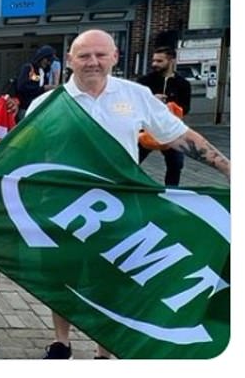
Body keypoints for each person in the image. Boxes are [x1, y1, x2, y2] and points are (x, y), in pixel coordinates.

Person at [27, 30, 230, 359]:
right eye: (84, 55)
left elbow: (178, 135)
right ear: (70, 61)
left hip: (121, 208)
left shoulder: (135, 95)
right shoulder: (46, 104)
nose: (92, 62)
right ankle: (61, 342)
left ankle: (104, 351)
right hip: (68, 207)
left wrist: (228, 168)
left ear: (115, 57)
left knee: (113, 281)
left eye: (100, 55)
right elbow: (21, 150)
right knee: (63, 277)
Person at [136, 46, 192, 187]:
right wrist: (152, 100)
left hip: (171, 131)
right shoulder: (144, 82)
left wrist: (171, 107)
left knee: (176, 164)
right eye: (154, 60)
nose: (154, 64)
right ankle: (130, 188)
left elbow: (186, 108)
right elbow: (134, 104)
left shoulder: (182, 84)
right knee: (133, 160)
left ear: (171, 60)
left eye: (159, 61)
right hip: (147, 130)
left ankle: (172, 192)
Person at [15, 44, 59, 118]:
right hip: (26, 108)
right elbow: (22, 86)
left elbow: (36, 84)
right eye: (47, 60)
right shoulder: (28, 68)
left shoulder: (42, 72)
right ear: (41, 58)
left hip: (38, 108)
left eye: (50, 61)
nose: (48, 63)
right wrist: (43, 88)